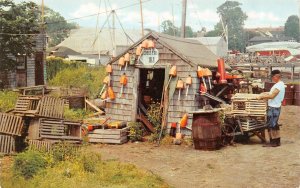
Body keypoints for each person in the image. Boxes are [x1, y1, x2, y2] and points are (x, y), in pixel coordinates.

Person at [258, 70, 285, 147]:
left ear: (276, 77)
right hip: (275, 106)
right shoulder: (279, 84)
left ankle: (273, 142)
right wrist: (265, 93)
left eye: (273, 77)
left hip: (274, 107)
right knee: (274, 125)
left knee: (271, 125)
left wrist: (261, 96)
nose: (272, 78)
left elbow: (272, 96)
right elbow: (271, 94)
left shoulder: (278, 85)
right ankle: (277, 141)